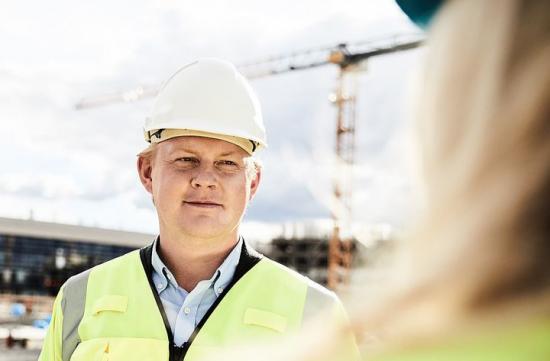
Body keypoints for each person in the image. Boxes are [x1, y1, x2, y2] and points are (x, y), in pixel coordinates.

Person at [38, 58, 353, 361]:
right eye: (185, 159)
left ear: (253, 182)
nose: (205, 179)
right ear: (147, 172)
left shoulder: (315, 315)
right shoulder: (79, 299)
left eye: (227, 163)